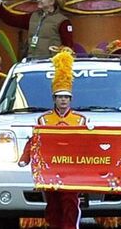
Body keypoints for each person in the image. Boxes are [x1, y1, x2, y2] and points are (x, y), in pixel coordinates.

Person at [17, 49, 85, 229]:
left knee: (70, 202)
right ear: (54, 99)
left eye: (66, 97)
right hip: (49, 169)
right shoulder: (44, 119)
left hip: (71, 170)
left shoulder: (80, 120)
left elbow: (86, 145)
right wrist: (25, 157)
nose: (63, 100)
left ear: (71, 99)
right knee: (53, 204)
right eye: (60, 97)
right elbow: (35, 141)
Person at [0, 0, 73, 60]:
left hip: (50, 63)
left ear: (52, 2)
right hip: (32, 61)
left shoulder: (63, 21)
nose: (38, 0)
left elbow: (68, 46)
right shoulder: (33, 17)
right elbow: (12, 19)